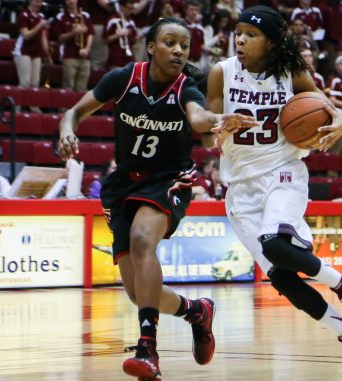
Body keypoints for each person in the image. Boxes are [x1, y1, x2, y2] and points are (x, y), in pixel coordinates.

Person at [58, 17, 257, 380]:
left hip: (169, 179)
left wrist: (217, 120)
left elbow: (198, 119)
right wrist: (67, 131)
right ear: (151, 47)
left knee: (141, 239)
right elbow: (73, 112)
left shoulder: (187, 89)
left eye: (185, 45)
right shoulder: (123, 78)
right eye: (170, 42)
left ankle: (147, 349)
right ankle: (197, 310)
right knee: (138, 293)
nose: (179, 50)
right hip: (123, 184)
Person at [207, 6, 342, 381]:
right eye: (237, 32)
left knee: (275, 244)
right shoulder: (221, 72)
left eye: (250, 34)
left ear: (271, 41)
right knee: (283, 278)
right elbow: (207, 125)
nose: (240, 39)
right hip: (240, 188)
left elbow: (330, 111)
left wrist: (341, 119)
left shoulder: (292, 73)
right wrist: (220, 126)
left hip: (283, 172)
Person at [51, 0, 94, 92]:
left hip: (85, 57)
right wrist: (74, 32)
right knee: (68, 88)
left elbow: (90, 34)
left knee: (82, 89)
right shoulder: (60, 16)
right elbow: (60, 38)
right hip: (69, 56)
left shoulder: (86, 15)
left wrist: (87, 48)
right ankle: (65, 107)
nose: (71, 1)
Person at [13, 0, 49, 104]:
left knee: (35, 84)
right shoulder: (23, 14)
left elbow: (43, 37)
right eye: (36, 1)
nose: (38, 4)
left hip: (36, 52)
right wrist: (39, 26)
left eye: (40, 2)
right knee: (25, 83)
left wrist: (47, 53)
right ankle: (17, 107)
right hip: (23, 51)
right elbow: (26, 35)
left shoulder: (41, 16)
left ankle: (33, 106)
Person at [103, 0, 138, 70]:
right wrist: (118, 35)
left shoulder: (131, 22)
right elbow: (105, 40)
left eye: (132, 9)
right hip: (116, 60)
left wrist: (135, 37)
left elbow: (134, 40)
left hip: (129, 60)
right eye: (128, 8)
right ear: (122, 7)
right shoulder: (113, 20)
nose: (130, 11)